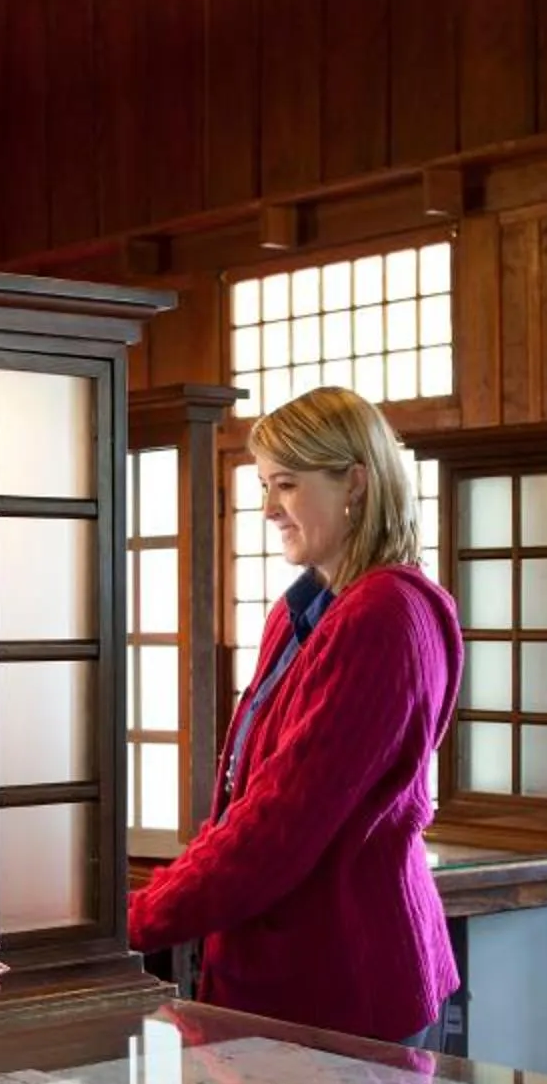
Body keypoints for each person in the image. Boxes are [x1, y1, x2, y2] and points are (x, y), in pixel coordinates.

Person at [129, 386, 463, 1045]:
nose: (266, 509)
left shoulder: (384, 616)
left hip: (345, 978)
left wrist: (134, 919)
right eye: (263, 485)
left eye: (285, 485)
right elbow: (241, 802)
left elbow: (279, 824)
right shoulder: (301, 610)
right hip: (287, 971)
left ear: (355, 484)